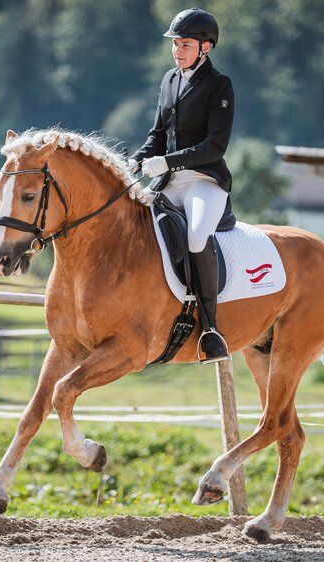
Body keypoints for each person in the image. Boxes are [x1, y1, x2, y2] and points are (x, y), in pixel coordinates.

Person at [128, 7, 235, 364]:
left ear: (206, 48)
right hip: (169, 180)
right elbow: (157, 135)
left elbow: (215, 146)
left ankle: (210, 328)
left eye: (185, 44)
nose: (178, 50)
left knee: (196, 236)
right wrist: (136, 159)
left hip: (203, 181)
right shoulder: (169, 79)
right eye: (175, 44)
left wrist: (168, 162)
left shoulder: (219, 85)